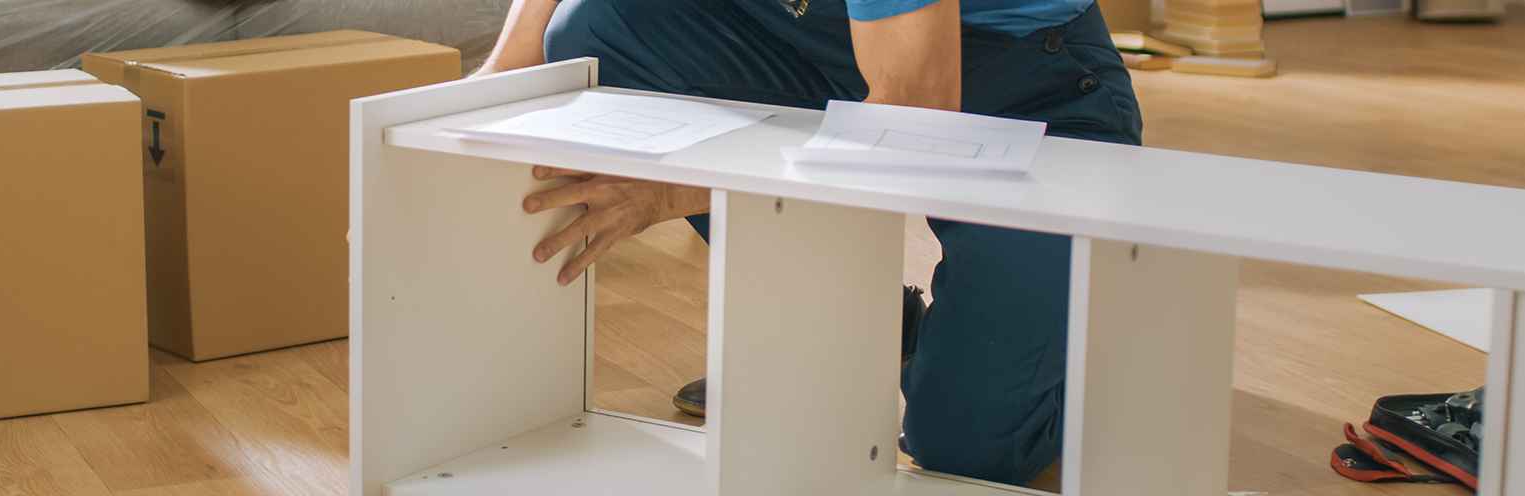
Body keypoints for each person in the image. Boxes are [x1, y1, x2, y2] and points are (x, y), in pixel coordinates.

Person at [477, 0, 1141, 484]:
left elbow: (918, 118)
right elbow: (542, 38)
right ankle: (866, 329)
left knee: (968, 448)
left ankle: (1074, 328)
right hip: (820, 39)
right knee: (593, 29)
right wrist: (487, 87)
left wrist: (677, 188)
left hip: (1028, 86)